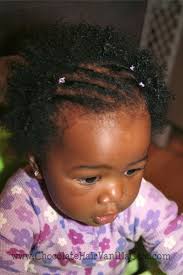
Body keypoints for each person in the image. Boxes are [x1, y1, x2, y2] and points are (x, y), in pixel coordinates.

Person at [0, 23, 182, 275]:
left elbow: (174, 242)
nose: (116, 193)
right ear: (37, 164)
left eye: (132, 171)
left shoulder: (140, 202)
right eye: (90, 178)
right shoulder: (23, 203)